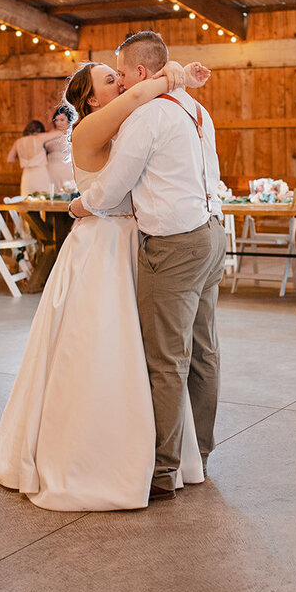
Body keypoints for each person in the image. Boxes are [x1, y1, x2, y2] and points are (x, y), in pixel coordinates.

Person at [0, 56, 212, 511]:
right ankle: (94, 458)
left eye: (121, 75)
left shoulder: (131, 123)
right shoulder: (89, 129)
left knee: (153, 351)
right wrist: (177, 75)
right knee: (101, 350)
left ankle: (160, 454)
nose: (122, 82)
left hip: (138, 242)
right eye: (111, 80)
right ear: (90, 98)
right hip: (103, 248)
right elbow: (136, 99)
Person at [71, 31, 226, 502]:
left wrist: (80, 205)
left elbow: (113, 188)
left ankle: (162, 470)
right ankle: (199, 451)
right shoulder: (199, 111)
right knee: (204, 351)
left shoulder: (146, 117)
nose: (120, 82)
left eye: (121, 72)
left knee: (166, 361)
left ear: (140, 73)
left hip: (174, 246)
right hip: (213, 232)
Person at [6, 120, 62, 196]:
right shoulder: (40, 137)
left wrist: (22, 156)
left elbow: (10, 159)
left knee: (27, 200)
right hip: (40, 173)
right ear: (40, 130)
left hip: (27, 176)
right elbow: (59, 133)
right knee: (44, 199)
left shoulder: (18, 142)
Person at [44, 105, 75, 192]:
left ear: (69, 120)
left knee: (68, 191)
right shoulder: (50, 134)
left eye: (62, 120)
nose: (58, 123)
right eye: (56, 120)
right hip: (51, 168)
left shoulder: (73, 134)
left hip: (67, 167)